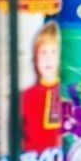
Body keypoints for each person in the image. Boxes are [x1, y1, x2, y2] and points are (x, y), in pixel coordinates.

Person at [21, 22, 61, 154]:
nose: (48, 58)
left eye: (54, 52)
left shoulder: (66, 93)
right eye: (43, 52)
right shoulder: (26, 96)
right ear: (35, 57)